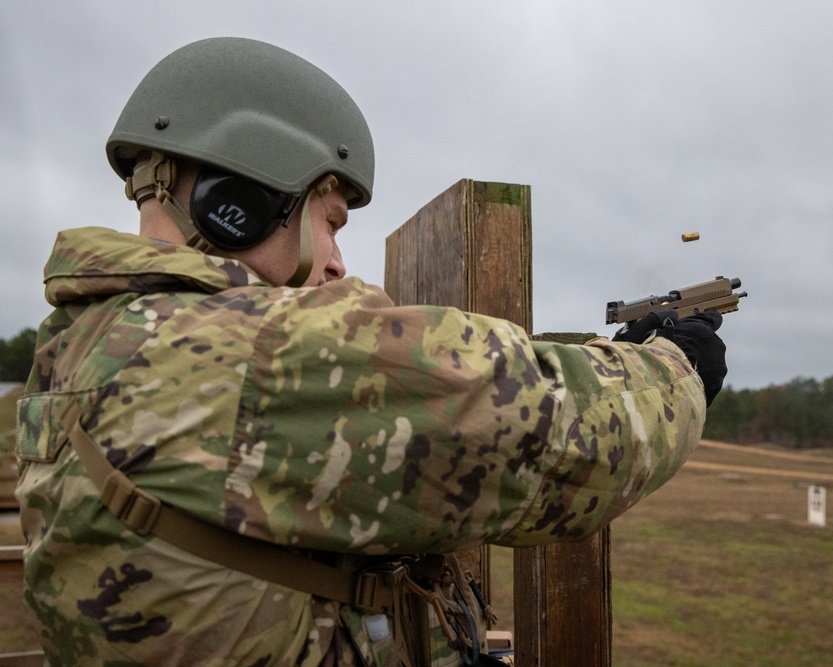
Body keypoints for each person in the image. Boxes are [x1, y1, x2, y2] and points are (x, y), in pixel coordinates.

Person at [15, 37, 727, 667]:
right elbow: (548, 430)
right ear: (245, 198)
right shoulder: (249, 357)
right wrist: (677, 364)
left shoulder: (80, 348)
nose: (334, 262)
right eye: (329, 222)